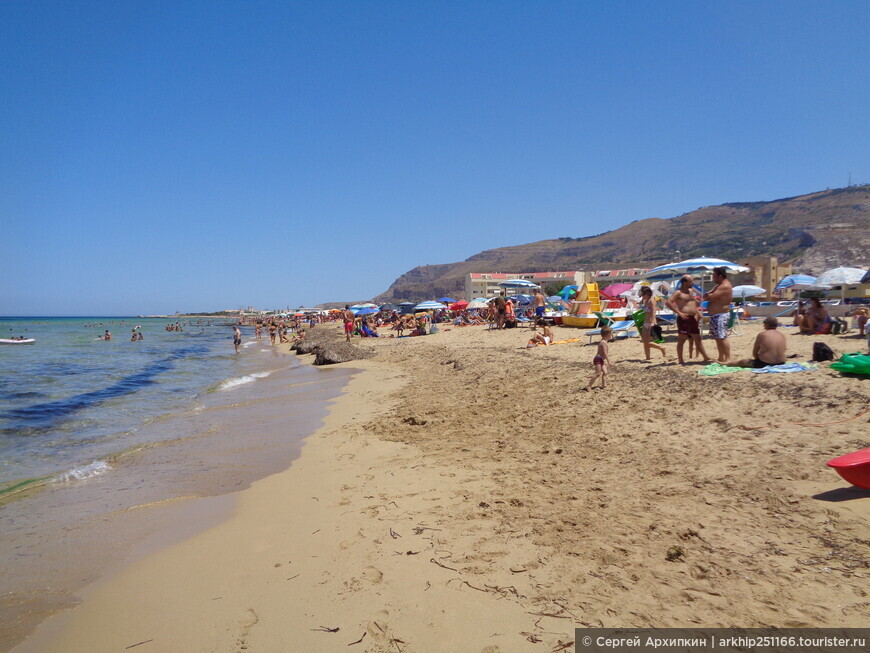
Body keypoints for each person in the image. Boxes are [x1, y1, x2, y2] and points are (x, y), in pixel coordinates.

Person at [666, 275, 713, 364]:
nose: (693, 283)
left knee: (697, 338)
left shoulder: (691, 291)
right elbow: (668, 302)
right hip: (684, 318)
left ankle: (705, 357)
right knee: (682, 340)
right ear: (684, 282)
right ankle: (680, 360)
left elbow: (692, 303)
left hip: (692, 318)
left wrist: (697, 312)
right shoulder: (678, 293)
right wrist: (679, 312)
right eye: (691, 281)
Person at [703, 266, 733, 362]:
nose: (713, 278)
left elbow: (711, 297)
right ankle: (721, 357)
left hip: (721, 315)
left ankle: (727, 358)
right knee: (717, 337)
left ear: (720, 276)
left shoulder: (724, 286)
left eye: (714, 275)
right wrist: (708, 296)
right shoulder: (718, 286)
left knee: (722, 337)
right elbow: (707, 295)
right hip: (715, 315)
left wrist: (708, 296)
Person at [639, 286, 667, 360]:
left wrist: (652, 323)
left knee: (647, 342)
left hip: (650, 322)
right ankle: (647, 357)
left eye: (643, 294)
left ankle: (661, 348)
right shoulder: (646, 301)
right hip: (646, 322)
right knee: (645, 341)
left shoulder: (651, 300)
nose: (642, 296)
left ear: (647, 294)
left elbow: (653, 312)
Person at [586, 326, 613, 390]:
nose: (611, 335)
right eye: (611, 334)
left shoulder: (604, 341)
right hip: (598, 359)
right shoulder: (603, 342)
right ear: (608, 334)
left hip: (601, 359)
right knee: (598, 373)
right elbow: (605, 353)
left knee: (605, 372)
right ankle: (589, 385)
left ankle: (604, 385)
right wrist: (609, 361)